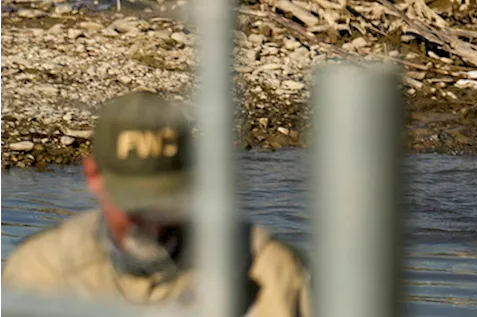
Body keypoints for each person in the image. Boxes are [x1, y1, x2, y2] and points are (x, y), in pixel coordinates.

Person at [0, 91, 312, 315]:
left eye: (166, 201)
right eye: (134, 204)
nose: (153, 223)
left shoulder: (268, 271)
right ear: (93, 175)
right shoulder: (39, 273)